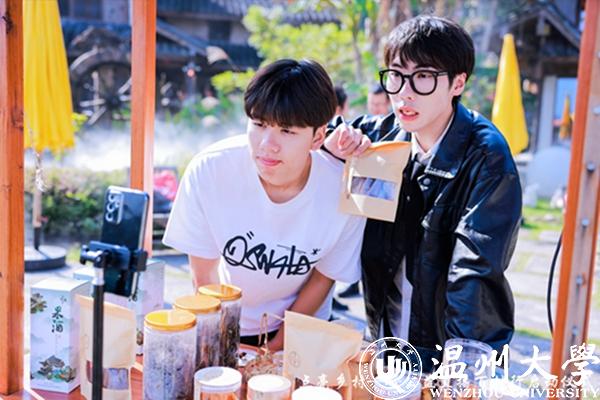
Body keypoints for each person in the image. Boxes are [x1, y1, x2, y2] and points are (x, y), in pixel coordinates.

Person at [325, 15, 521, 372]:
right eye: (397, 75)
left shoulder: (486, 156)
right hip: (387, 333)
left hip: (450, 344)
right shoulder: (382, 135)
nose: (405, 92)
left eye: (424, 77)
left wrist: (458, 368)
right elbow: (319, 132)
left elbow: (473, 271)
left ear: (458, 83)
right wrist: (333, 143)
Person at [163, 59, 366, 351]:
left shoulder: (344, 190)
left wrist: (274, 348)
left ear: (318, 137)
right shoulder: (211, 170)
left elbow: (324, 277)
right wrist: (225, 344)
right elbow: (204, 276)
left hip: (301, 330)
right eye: (259, 124)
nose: (267, 145)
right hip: (223, 320)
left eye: (287, 131)